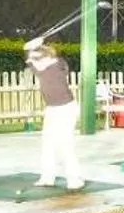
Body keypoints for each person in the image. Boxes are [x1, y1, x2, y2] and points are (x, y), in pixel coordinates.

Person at [26, 38, 85, 191]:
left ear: (47, 56)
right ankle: (47, 177)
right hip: (52, 109)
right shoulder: (40, 67)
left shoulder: (57, 65)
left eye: (40, 56)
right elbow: (31, 59)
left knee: (65, 144)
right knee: (48, 143)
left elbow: (44, 60)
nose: (35, 59)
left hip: (66, 108)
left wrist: (36, 47)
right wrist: (31, 47)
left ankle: (75, 179)